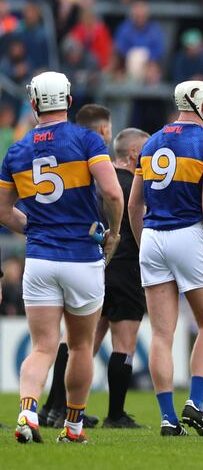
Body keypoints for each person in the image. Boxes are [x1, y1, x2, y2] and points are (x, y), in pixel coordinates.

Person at [0, 72, 124, 443]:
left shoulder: (17, 150)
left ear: (34, 104)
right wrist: (114, 233)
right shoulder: (87, 139)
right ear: (69, 101)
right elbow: (113, 194)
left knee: (41, 346)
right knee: (82, 346)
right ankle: (73, 427)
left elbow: (4, 211)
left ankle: (27, 411)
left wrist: (34, 229)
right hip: (82, 256)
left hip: (39, 259)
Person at [128, 80, 203, 437]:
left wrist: (143, 241)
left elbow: (134, 204)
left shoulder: (150, 141)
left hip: (153, 238)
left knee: (162, 334)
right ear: (202, 106)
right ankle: (195, 402)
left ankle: (167, 418)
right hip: (188, 236)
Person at [38, 103, 114, 430]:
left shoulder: (56, 153)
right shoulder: (89, 160)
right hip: (78, 257)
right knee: (76, 342)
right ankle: (65, 413)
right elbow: (106, 199)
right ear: (99, 131)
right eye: (107, 130)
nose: (108, 136)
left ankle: (49, 408)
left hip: (46, 255)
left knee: (62, 341)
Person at [94, 127, 150, 428]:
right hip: (127, 266)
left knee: (83, 342)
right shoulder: (135, 187)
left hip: (95, 267)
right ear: (133, 154)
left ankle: (57, 406)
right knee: (124, 343)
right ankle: (115, 414)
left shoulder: (99, 182)